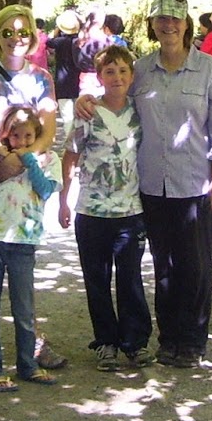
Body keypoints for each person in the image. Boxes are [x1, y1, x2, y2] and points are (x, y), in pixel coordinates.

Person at [79, 0, 212, 369]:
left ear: (186, 24)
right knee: (163, 266)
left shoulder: (209, 70)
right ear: (152, 24)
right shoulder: (142, 68)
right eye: (161, 18)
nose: (168, 25)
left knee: (195, 265)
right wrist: (87, 101)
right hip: (149, 185)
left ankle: (192, 341)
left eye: (175, 18)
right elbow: (113, 94)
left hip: (195, 182)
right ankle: (168, 339)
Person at [0, 4, 65, 383]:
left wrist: (21, 160)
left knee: (21, 257)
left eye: (22, 32)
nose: (15, 38)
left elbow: (48, 131)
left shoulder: (41, 79)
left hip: (22, 177)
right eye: (7, 32)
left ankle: (30, 344)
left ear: (33, 36)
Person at [59, 45, 153, 370]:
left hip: (130, 212)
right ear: (99, 77)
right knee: (96, 280)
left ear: (132, 75)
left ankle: (135, 342)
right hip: (91, 212)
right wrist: (63, 199)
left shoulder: (141, 113)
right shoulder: (88, 114)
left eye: (123, 71)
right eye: (109, 72)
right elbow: (70, 155)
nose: (117, 77)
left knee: (130, 278)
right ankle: (106, 342)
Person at [0, 107, 61, 392]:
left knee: (24, 309)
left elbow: (46, 190)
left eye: (28, 135)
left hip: (24, 242)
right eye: (16, 135)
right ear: (7, 135)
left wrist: (29, 161)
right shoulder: (0, 157)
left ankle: (28, 364)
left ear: (36, 135)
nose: (22, 141)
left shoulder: (49, 159)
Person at [45, 9, 84, 141]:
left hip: (63, 84)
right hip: (79, 83)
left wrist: (56, 31)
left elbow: (48, 41)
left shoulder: (59, 42)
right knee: (80, 116)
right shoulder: (80, 41)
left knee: (67, 118)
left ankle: (70, 143)